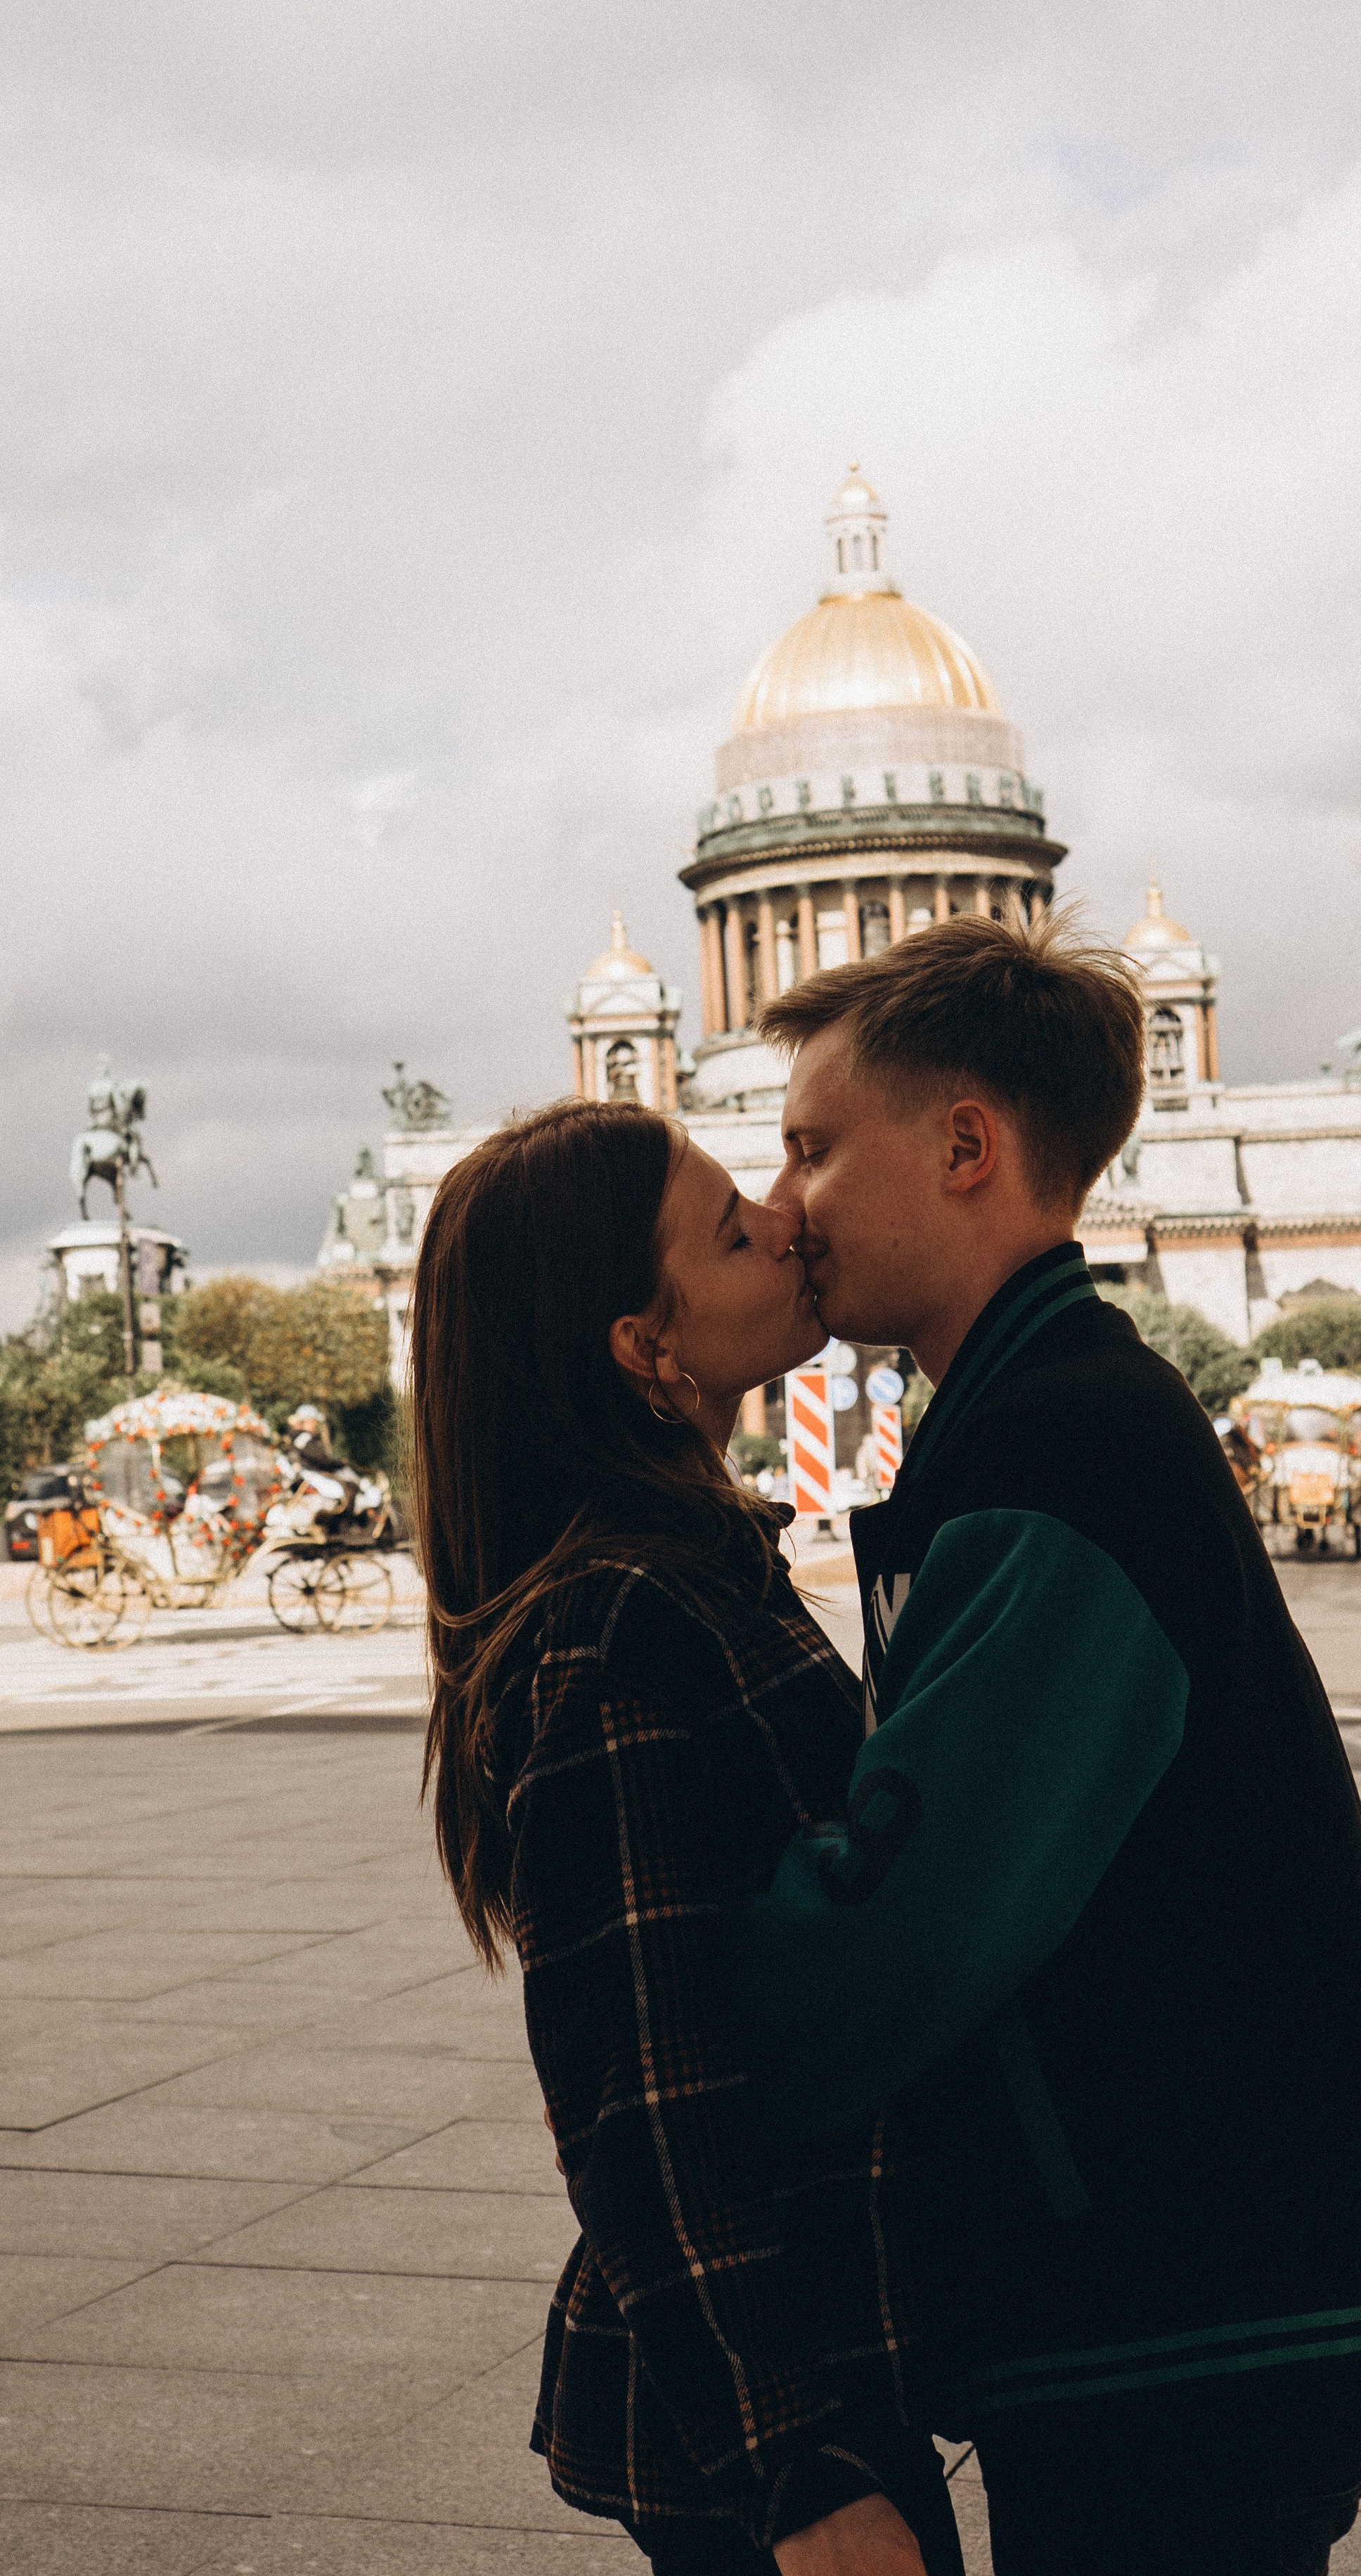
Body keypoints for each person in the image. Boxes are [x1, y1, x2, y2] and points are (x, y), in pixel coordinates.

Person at [740, 908, 1361, 2575]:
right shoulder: (1054, 1411)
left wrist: (675, 2006)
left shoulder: (1054, 1450)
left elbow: (909, 1929)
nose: (779, 1204)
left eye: (808, 1146)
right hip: (1184, 2278)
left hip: (1165, 2310)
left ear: (962, 1144)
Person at [411, 1098, 964, 2575]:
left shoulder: (684, 1568)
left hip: (798, 2365)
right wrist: (800, 2464)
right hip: (775, 2412)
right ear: (646, 1350)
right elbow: (640, 2089)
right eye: (732, 1228)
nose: (788, 1218)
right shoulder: (623, 1617)